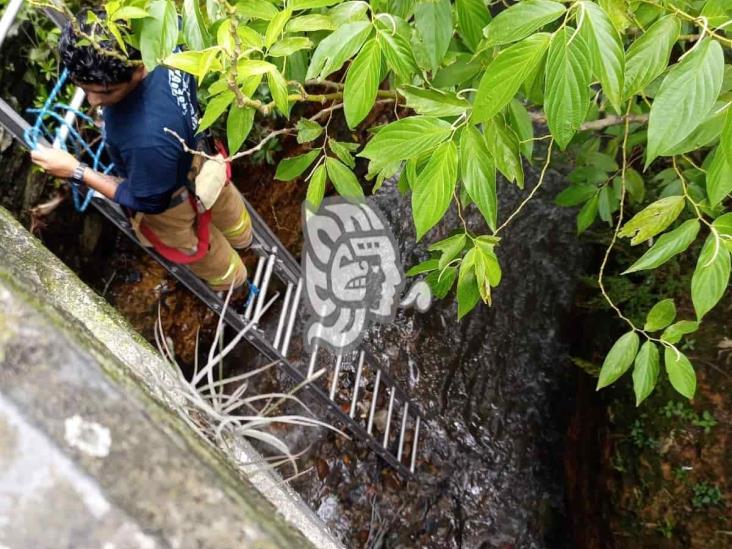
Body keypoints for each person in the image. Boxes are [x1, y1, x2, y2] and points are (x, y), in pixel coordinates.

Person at [30, 9, 253, 295]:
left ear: (138, 70)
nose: (94, 101)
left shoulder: (145, 140)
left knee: (203, 250)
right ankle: (247, 241)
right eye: (83, 88)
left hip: (172, 197)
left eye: (105, 93)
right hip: (204, 157)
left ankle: (238, 286)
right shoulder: (165, 30)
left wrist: (76, 170)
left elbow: (149, 202)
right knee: (228, 208)